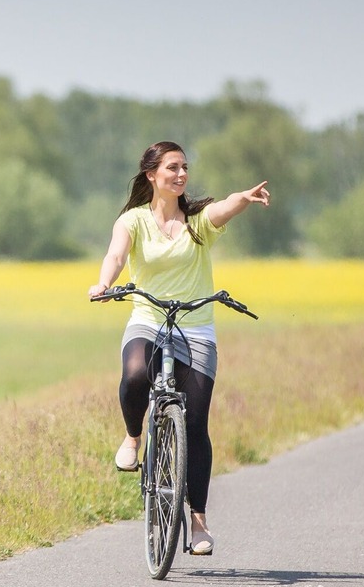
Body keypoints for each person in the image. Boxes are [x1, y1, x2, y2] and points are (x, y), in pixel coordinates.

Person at [88, 141, 270, 556]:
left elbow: (221, 209)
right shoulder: (132, 221)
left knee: (196, 425)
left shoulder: (196, 222)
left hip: (196, 329)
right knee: (135, 376)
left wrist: (242, 198)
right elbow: (116, 255)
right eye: (172, 167)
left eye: (185, 167)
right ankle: (133, 439)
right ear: (152, 174)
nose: (181, 174)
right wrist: (104, 282)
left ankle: (198, 521)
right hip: (149, 321)